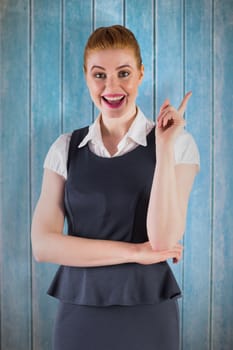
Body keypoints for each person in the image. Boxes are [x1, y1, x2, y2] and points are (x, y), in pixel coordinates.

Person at [31, 25, 200, 350]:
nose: (112, 86)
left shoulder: (179, 146)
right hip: (79, 313)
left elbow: (163, 239)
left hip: (149, 313)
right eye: (99, 75)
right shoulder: (64, 148)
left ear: (140, 74)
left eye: (123, 73)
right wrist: (135, 252)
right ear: (85, 77)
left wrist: (163, 149)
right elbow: (43, 246)